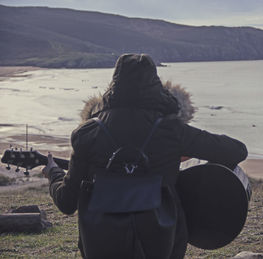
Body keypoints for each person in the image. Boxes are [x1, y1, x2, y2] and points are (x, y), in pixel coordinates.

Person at [42, 53, 247, 258]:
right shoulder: (172, 130)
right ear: (156, 85)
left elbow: (67, 202)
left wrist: (53, 172)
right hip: (163, 245)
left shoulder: (87, 133)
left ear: (114, 85)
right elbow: (237, 150)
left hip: (101, 245)